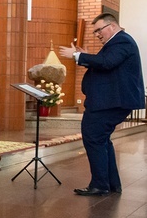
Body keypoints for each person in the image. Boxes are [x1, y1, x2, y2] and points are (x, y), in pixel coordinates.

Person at [59, 12, 145, 196]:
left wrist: (77, 56)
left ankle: (100, 185)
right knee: (101, 139)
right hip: (110, 101)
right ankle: (111, 183)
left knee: (93, 137)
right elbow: (106, 65)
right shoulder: (118, 42)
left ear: (111, 26)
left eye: (99, 30)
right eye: (95, 31)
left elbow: (107, 63)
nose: (97, 34)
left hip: (110, 102)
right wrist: (86, 57)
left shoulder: (122, 41)